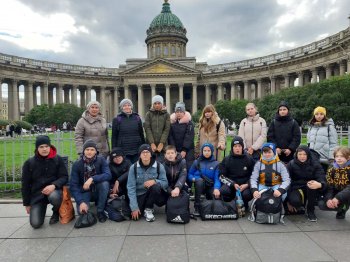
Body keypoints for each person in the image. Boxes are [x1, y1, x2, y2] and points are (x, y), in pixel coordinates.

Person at [21, 135, 68, 229]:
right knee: (35, 224)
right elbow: (25, 184)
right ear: (37, 148)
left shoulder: (57, 159)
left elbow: (64, 177)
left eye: (47, 146)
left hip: (54, 192)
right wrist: (27, 203)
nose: (44, 149)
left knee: (54, 196)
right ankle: (41, 209)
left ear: (50, 147)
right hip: (38, 196)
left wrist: (54, 185)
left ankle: (56, 212)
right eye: (41, 147)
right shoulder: (29, 163)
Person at [70, 139, 111, 223]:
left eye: (92, 150)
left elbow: (108, 175)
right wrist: (80, 202)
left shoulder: (101, 160)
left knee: (105, 184)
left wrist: (92, 178)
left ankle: (100, 211)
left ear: (96, 151)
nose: (89, 152)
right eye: (87, 149)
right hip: (84, 191)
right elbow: (73, 186)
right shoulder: (77, 164)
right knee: (82, 212)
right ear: (83, 151)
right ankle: (85, 204)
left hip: (97, 189)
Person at [127, 144, 168, 222]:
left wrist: (155, 181)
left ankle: (148, 209)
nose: (145, 154)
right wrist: (134, 207)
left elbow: (165, 182)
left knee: (156, 186)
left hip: (154, 193)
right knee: (136, 217)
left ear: (151, 154)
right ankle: (144, 206)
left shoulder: (159, 166)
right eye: (143, 152)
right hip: (140, 194)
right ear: (140, 155)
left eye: (147, 152)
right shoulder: (133, 167)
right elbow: (131, 188)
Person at [286, 145, 326, 222]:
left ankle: (310, 210)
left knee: (311, 185)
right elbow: (287, 181)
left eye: (305, 154)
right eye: (300, 154)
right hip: (296, 187)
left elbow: (321, 178)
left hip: (311, 187)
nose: (302, 156)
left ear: (308, 154)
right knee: (294, 201)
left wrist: (320, 184)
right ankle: (302, 203)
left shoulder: (315, 164)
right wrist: (287, 200)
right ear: (296, 154)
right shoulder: (291, 164)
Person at [219, 136, 255, 209]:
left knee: (247, 194)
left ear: (242, 147)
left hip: (244, 186)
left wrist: (247, 184)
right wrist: (233, 184)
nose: (237, 148)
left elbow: (254, 176)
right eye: (235, 146)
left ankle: (244, 204)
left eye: (239, 146)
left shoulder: (249, 159)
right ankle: (229, 204)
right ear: (232, 148)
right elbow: (221, 176)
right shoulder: (227, 159)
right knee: (224, 191)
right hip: (231, 185)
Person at [188, 142, 221, 216]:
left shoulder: (216, 164)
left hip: (210, 185)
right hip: (199, 185)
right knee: (199, 181)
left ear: (212, 151)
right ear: (202, 151)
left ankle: (208, 205)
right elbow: (189, 174)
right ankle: (197, 207)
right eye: (205, 150)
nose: (206, 152)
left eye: (208, 151)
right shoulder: (196, 162)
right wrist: (194, 179)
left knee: (215, 198)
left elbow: (217, 179)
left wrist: (216, 188)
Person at [111, 98, 145, 164]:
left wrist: (143, 147)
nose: (127, 107)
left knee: (136, 168)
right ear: (122, 107)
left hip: (136, 149)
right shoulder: (117, 119)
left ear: (131, 107)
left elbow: (141, 134)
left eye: (129, 105)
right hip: (123, 149)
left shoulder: (137, 118)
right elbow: (114, 137)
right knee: (126, 169)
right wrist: (114, 150)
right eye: (125, 105)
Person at [307, 106, 338, 172]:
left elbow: (333, 143)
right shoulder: (311, 127)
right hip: (313, 157)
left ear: (324, 115)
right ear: (314, 115)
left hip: (324, 157)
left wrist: (332, 157)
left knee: (323, 177)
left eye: (321, 114)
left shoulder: (329, 126)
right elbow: (309, 142)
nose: (319, 116)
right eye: (317, 114)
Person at [168, 101, 195, 172]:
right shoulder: (172, 123)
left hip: (188, 150)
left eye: (180, 112)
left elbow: (189, 136)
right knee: (177, 168)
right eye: (177, 112)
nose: (179, 113)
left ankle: (188, 182)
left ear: (184, 112)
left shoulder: (189, 123)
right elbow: (171, 136)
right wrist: (174, 149)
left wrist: (184, 149)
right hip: (176, 150)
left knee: (188, 168)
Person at [325, 146, 350, 219]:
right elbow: (330, 186)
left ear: (348, 157)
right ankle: (341, 208)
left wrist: (337, 198)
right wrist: (329, 199)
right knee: (322, 204)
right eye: (337, 156)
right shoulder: (332, 169)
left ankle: (344, 207)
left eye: (342, 156)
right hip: (339, 191)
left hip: (347, 192)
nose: (339, 158)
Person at [144, 95, 170, 161]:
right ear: (153, 104)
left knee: (162, 163)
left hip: (163, 146)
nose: (157, 105)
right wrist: (152, 143)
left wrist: (161, 143)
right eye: (155, 103)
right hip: (150, 145)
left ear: (162, 104)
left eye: (159, 103)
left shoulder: (166, 114)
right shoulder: (148, 114)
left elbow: (166, 129)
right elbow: (147, 128)